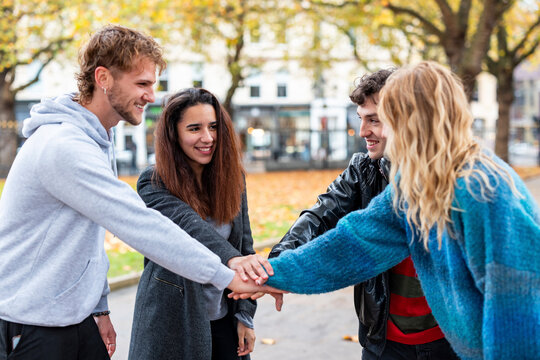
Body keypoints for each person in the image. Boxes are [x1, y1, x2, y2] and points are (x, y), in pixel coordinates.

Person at [0, 25, 273, 360]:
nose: (151, 95)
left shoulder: (96, 138)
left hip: (74, 319)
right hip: (32, 324)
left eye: (152, 85)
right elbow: (138, 224)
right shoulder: (63, 146)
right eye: (142, 84)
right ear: (104, 78)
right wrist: (228, 276)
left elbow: (89, 237)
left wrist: (98, 307)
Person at [234, 61, 540, 359]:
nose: (370, 130)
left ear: (414, 120)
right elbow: (354, 245)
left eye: (384, 118)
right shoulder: (417, 185)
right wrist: (272, 273)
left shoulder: (483, 187)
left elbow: (516, 304)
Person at [269, 69, 458, 359]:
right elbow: (319, 217)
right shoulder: (364, 169)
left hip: (449, 340)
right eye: (361, 119)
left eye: (374, 119)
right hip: (383, 342)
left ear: (405, 118)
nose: (363, 132)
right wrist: (276, 264)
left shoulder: (457, 177)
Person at [129, 88, 260, 360]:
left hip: (225, 318)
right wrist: (232, 260)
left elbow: (245, 246)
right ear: (174, 134)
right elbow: (190, 230)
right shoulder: (153, 182)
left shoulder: (233, 179)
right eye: (194, 128)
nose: (207, 137)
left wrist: (245, 316)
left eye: (213, 127)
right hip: (171, 324)